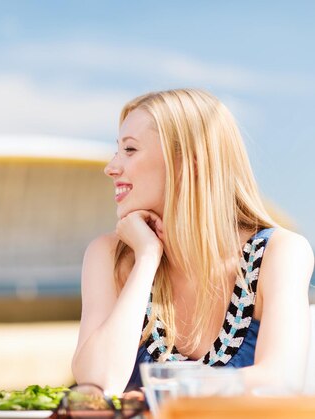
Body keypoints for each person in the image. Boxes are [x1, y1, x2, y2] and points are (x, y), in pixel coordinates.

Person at [72, 88, 314, 395]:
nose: (111, 167)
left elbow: (280, 380)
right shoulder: (111, 255)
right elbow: (97, 382)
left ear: (189, 162)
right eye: (116, 151)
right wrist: (146, 259)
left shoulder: (279, 254)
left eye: (130, 150)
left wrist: (165, 393)